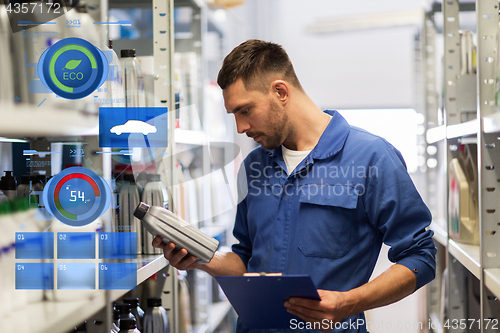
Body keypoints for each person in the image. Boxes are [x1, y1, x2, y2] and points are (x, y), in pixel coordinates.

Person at [153, 39, 436, 333]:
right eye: (233, 115)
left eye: (245, 110)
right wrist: (202, 258)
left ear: (280, 91)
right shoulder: (254, 167)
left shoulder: (372, 158)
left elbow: (421, 256)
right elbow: (246, 260)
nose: (240, 127)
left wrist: (349, 303)